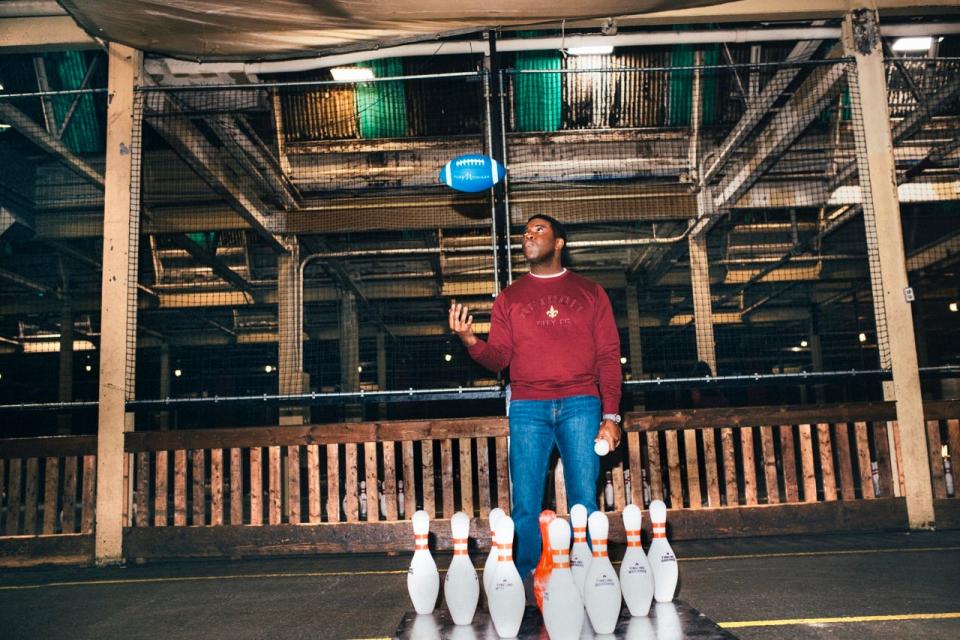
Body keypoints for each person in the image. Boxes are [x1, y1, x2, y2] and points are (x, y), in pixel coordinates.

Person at [448, 214, 622, 582]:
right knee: (525, 504)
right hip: (526, 406)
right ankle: (527, 581)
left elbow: (608, 356)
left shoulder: (591, 292)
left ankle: (590, 575)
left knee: (584, 501)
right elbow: (499, 359)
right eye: (525, 231)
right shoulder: (509, 298)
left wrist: (612, 416)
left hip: (581, 402)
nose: (528, 234)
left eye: (538, 229)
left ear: (559, 243)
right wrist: (470, 341)